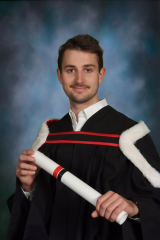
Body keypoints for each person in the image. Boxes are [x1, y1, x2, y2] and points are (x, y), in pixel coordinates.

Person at [7, 34, 160, 240]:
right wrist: (28, 188)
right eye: (71, 70)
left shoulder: (129, 136)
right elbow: (36, 217)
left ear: (101, 75)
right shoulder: (49, 138)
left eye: (88, 70)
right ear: (60, 76)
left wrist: (134, 207)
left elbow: (156, 202)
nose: (79, 80)